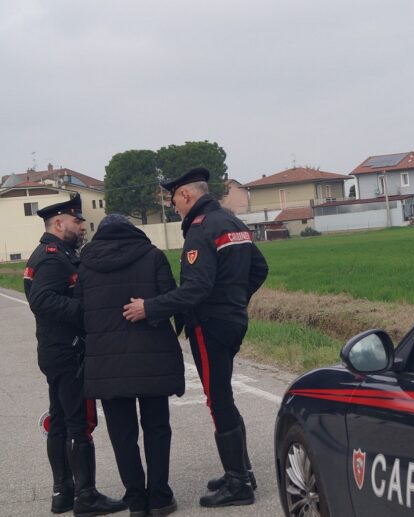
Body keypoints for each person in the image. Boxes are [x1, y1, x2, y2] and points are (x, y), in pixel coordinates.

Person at [122, 167, 268, 508]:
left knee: (218, 400)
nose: (174, 207)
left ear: (187, 194)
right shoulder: (232, 222)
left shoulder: (202, 230)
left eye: (174, 199)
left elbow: (195, 289)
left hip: (210, 324)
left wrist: (150, 307)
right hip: (232, 320)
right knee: (225, 396)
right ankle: (242, 470)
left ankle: (238, 484)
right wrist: (235, 302)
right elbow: (260, 269)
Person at [23, 194, 127, 516]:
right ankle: (86, 496)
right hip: (67, 353)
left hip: (54, 351)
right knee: (77, 425)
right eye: (76, 221)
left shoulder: (56, 254)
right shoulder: (53, 258)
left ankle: (62, 493)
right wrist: (86, 312)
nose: (81, 226)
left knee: (59, 424)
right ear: (58, 223)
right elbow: (41, 300)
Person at [76, 214, 185, 517]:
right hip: (153, 359)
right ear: (132, 231)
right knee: (157, 427)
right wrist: (148, 311)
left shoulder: (86, 265)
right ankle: (160, 496)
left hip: (108, 364)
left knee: (122, 434)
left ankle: (136, 500)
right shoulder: (153, 256)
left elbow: (80, 309)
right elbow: (171, 300)